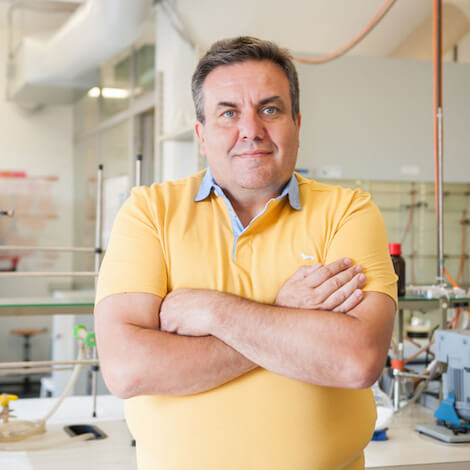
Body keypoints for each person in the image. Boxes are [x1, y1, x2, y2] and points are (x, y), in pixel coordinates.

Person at [94, 36, 397, 470]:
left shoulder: (348, 212)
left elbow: (355, 361)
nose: (251, 130)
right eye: (228, 113)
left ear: (297, 124)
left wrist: (213, 312)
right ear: (201, 135)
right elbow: (127, 369)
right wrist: (283, 314)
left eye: (269, 110)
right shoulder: (150, 212)